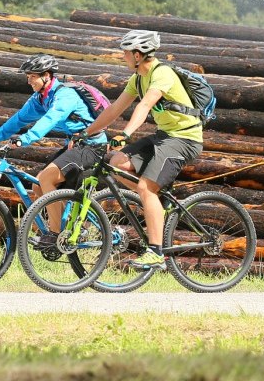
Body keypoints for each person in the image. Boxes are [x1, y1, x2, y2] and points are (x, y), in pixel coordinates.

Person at [82, 30, 203, 270]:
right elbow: (115, 109)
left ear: (137, 55)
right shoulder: (137, 79)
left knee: (146, 186)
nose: (123, 57)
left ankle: (156, 253)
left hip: (184, 138)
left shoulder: (163, 74)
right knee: (116, 163)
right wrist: (86, 133)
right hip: (164, 136)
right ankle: (155, 200)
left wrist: (126, 134)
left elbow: (146, 105)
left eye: (125, 53)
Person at [0, 54, 108, 232]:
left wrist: (25, 139)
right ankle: (67, 230)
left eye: (32, 76)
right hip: (74, 145)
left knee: (47, 178)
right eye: (28, 77)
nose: (29, 81)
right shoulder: (40, 98)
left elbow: (51, 119)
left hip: (92, 146)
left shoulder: (65, 95)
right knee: (38, 185)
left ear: (46, 75)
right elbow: (18, 119)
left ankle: (55, 234)